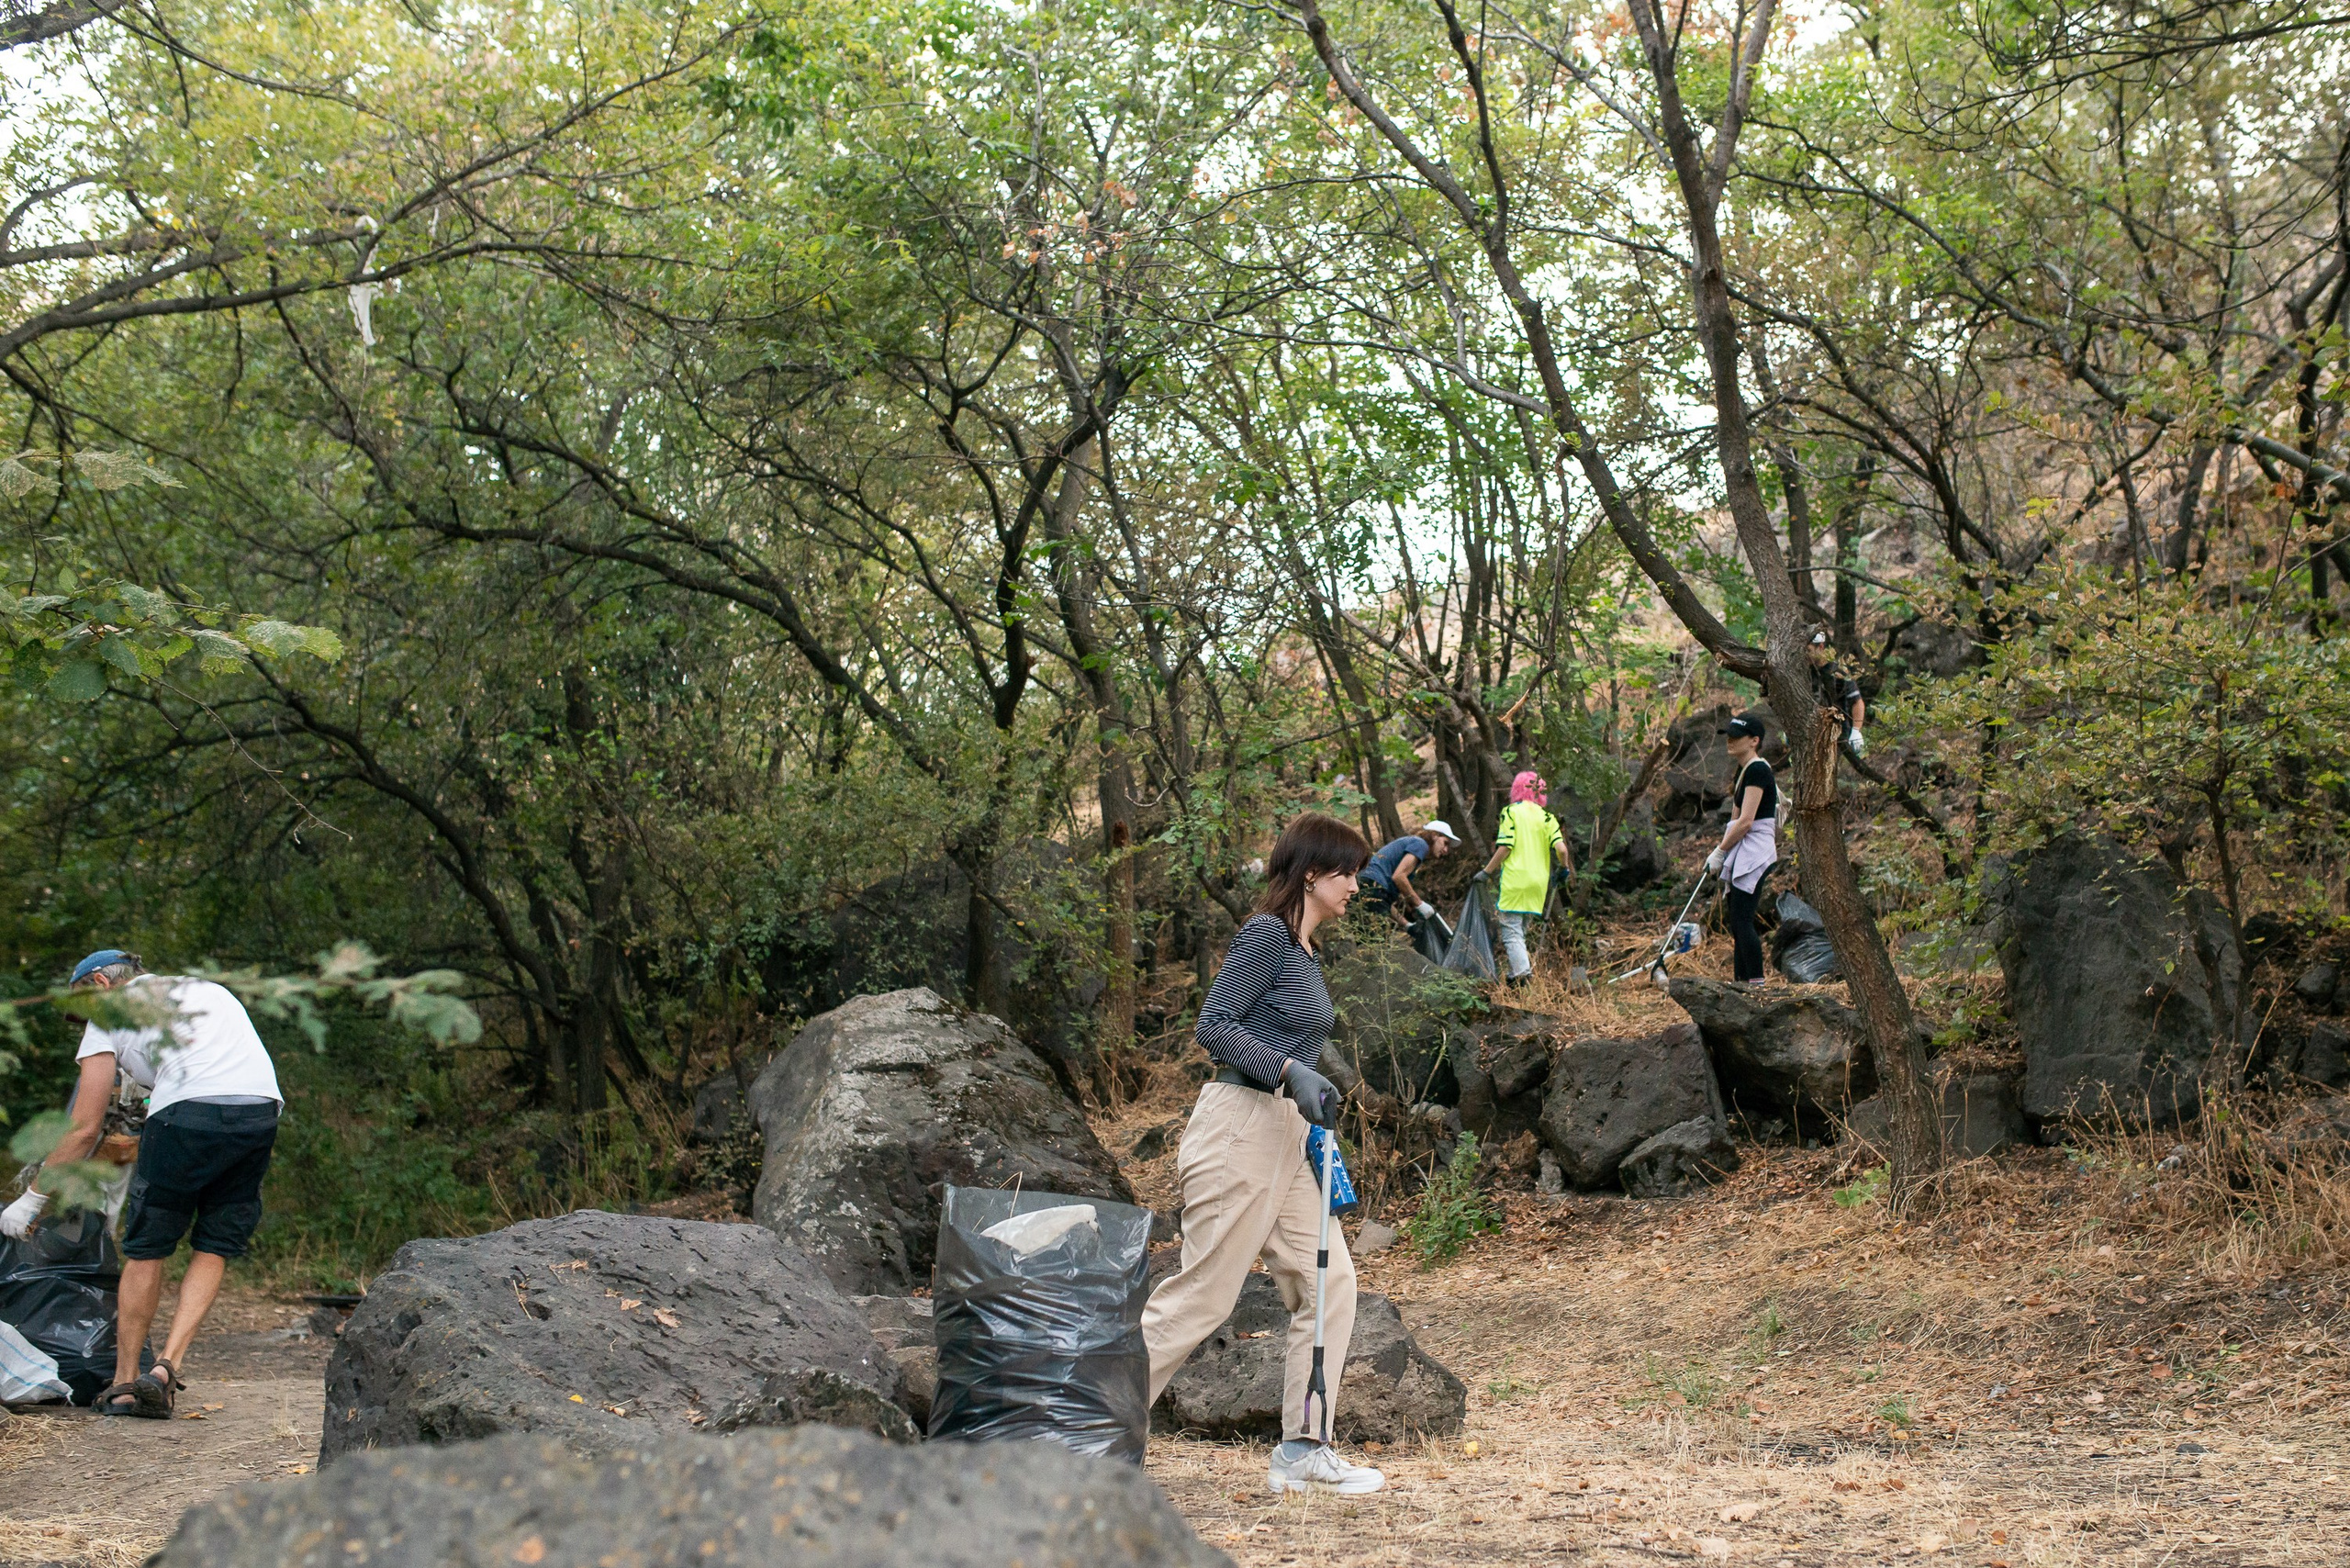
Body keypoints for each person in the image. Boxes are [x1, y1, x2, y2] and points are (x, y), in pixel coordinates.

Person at [1142, 813, 1384, 1496]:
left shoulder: (1305, 953)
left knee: (1330, 1282)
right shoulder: (1265, 936)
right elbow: (1213, 1026)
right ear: (1312, 872)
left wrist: (1303, 1085)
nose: (1357, 888)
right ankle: (1086, 1432)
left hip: (1287, 1135)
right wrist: (1286, 1071)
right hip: (1238, 1127)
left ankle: (1306, 1448)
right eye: (1348, 874)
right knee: (1203, 1296)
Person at [0, 950, 283, 1417]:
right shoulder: (204, 988)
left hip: (188, 1112)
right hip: (260, 1110)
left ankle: (125, 1384)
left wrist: (32, 1200)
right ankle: (166, 1368)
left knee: (147, 1247)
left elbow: (84, 1127)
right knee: (214, 1244)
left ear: (99, 983)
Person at [1473, 772, 1572, 987]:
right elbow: (1562, 849)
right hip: (1538, 884)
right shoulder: (1547, 817)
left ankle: (1521, 977)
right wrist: (1563, 870)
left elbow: (1506, 847)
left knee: (1511, 930)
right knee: (1521, 931)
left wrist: (1487, 871)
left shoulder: (1511, 812)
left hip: (1516, 881)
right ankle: (1515, 975)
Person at [1704, 717, 1777, 984]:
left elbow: (1747, 821)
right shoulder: (1743, 771)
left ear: (1754, 741)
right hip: (1743, 847)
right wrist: (1721, 850)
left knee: (1743, 919)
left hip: (1755, 849)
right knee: (1737, 920)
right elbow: (1734, 821)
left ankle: (1756, 984)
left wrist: (1721, 852)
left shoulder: (1758, 770)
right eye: (1729, 735)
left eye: (1737, 736)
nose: (1730, 740)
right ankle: (1741, 983)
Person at [1357, 822, 1457, 930]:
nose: (1446, 850)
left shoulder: (1412, 845)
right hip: (1371, 884)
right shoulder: (1420, 844)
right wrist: (1420, 904)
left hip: (1365, 884)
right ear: (1434, 835)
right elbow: (1399, 877)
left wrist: (1406, 924)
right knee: (1376, 934)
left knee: (1362, 932)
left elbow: (1383, 902)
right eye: (1445, 843)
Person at [1808, 631, 1868, 757]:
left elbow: (1857, 702)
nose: (1806, 655)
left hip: (1839, 735)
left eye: (1809, 650)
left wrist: (1856, 731)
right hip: (1813, 736)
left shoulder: (1838, 672)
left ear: (1820, 647)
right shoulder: (1807, 672)